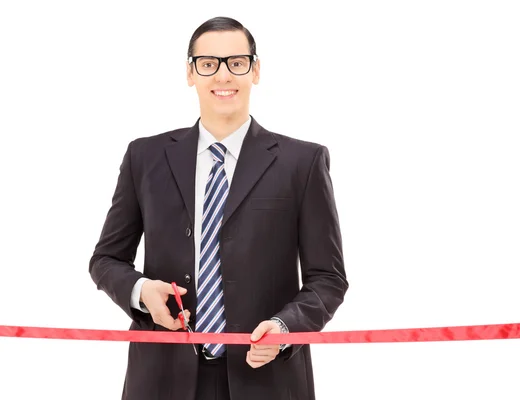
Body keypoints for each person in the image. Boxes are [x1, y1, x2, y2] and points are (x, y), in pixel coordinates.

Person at [89, 16, 348, 400]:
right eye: (208, 64)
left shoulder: (302, 162)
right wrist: (141, 292)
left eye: (236, 62)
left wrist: (285, 326)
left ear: (255, 70)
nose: (223, 76)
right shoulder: (145, 157)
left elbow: (328, 278)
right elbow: (106, 259)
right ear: (191, 73)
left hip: (267, 378)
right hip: (161, 379)